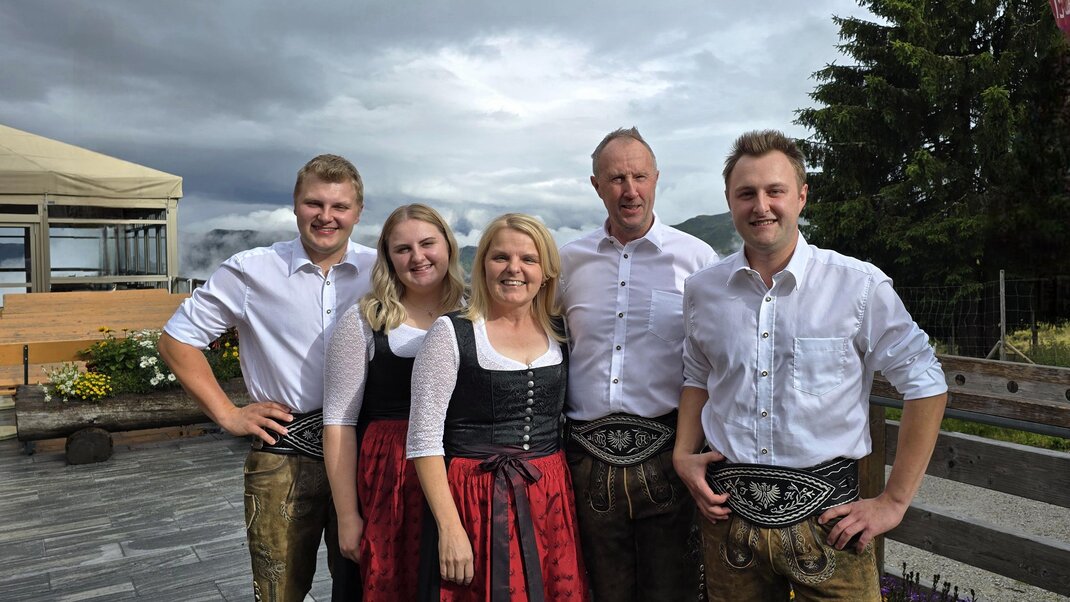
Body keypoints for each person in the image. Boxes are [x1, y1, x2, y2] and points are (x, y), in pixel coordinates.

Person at [673, 129, 949, 601]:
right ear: (730, 201)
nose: (761, 205)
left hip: (830, 529)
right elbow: (698, 376)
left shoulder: (858, 286)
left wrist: (894, 501)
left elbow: (925, 382)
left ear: (801, 196)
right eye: (746, 193)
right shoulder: (703, 290)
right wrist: (683, 453)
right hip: (729, 524)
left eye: (775, 191)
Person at [159, 154, 375, 602]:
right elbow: (176, 340)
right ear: (295, 205)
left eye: (340, 206)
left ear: (357, 212)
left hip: (363, 453)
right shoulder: (252, 270)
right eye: (314, 203)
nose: (326, 216)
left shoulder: (380, 271)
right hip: (284, 455)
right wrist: (228, 414)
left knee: (364, 587)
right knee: (279, 590)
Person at [557, 127, 716, 601]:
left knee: (672, 592)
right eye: (616, 179)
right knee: (599, 592)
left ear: (656, 179)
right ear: (596, 185)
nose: (630, 190)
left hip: (669, 458)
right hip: (585, 462)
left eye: (639, 177)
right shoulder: (567, 263)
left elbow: (715, 360)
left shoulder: (698, 260)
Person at [407, 213, 590, 601]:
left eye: (528, 259)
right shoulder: (451, 332)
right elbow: (423, 440)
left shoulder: (560, 331)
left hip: (549, 497)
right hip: (473, 499)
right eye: (501, 257)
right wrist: (450, 528)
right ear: (483, 265)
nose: (514, 269)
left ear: (546, 272)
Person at [323, 203, 466, 601]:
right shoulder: (365, 321)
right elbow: (339, 423)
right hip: (391, 482)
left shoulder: (476, 311)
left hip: (461, 474)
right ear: (388, 258)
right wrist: (347, 515)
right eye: (403, 249)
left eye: (427, 244)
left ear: (448, 246)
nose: (417, 257)